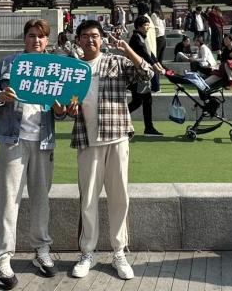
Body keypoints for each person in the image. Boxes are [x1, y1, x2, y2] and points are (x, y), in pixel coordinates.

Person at [0, 19, 67, 288]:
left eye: (41, 36)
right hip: (12, 139)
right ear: (24, 38)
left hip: (43, 141)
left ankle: (41, 249)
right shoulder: (8, 64)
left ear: (47, 40)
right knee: (8, 199)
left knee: (41, 198)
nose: (36, 41)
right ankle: (2, 258)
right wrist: (1, 96)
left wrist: (62, 109)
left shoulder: (56, 68)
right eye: (31, 35)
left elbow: (62, 110)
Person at [67, 19, 155, 281]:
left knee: (120, 197)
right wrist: (69, 109)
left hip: (116, 136)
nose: (90, 40)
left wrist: (127, 49)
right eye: (85, 36)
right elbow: (65, 107)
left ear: (102, 38)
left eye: (94, 35)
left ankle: (119, 252)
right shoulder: (73, 69)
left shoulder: (115, 61)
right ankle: (87, 253)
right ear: (78, 40)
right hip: (87, 140)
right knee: (88, 199)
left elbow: (147, 73)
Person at [127, 15, 165, 137]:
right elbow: (144, 54)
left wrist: (159, 65)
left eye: (148, 25)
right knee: (142, 101)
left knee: (140, 101)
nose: (148, 27)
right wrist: (155, 66)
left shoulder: (142, 37)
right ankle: (148, 128)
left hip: (141, 75)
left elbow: (151, 54)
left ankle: (148, 127)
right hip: (137, 75)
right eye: (146, 25)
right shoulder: (136, 38)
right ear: (139, 26)